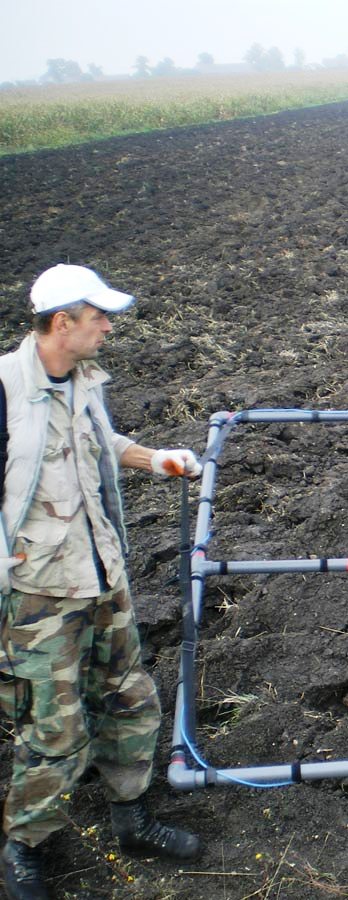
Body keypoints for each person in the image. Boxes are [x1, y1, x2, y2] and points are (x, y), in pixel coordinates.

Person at [0, 264, 203, 900]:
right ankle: (26, 847)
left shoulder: (82, 382)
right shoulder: (5, 390)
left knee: (130, 700)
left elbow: (100, 441)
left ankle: (132, 816)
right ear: (63, 323)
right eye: (98, 318)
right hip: (37, 593)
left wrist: (154, 459)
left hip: (102, 574)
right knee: (52, 726)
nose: (108, 328)